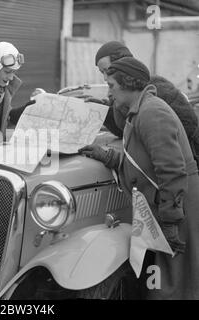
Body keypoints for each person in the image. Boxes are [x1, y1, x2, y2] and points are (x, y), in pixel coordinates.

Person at [79, 57, 199, 299]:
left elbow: (172, 170)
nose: (110, 92)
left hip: (178, 203)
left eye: (112, 85)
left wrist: (170, 221)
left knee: (174, 281)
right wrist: (110, 157)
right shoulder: (140, 110)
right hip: (169, 202)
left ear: (128, 83)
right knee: (166, 277)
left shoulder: (152, 113)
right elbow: (144, 160)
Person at [92, 41, 199, 169]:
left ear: (123, 62)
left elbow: (179, 133)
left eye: (106, 70)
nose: (104, 77)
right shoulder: (122, 95)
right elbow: (125, 131)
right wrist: (103, 112)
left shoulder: (155, 90)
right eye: (101, 72)